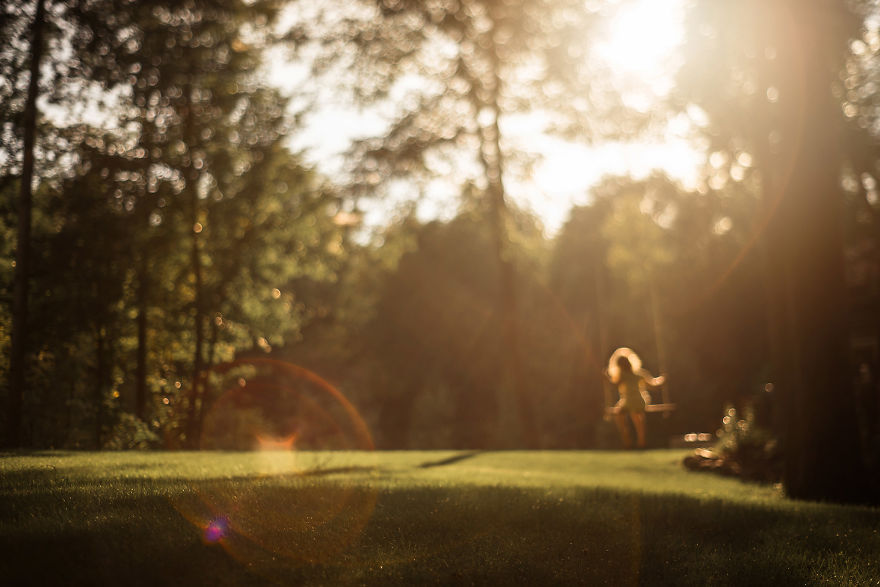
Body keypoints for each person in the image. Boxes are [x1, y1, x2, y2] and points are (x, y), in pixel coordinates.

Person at [604, 347, 666, 449]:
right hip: (637, 401)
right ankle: (640, 441)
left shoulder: (623, 375)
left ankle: (628, 442)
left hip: (629, 402)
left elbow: (614, 384)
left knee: (624, 416)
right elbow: (652, 385)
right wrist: (661, 380)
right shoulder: (639, 374)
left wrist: (607, 378)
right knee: (637, 418)